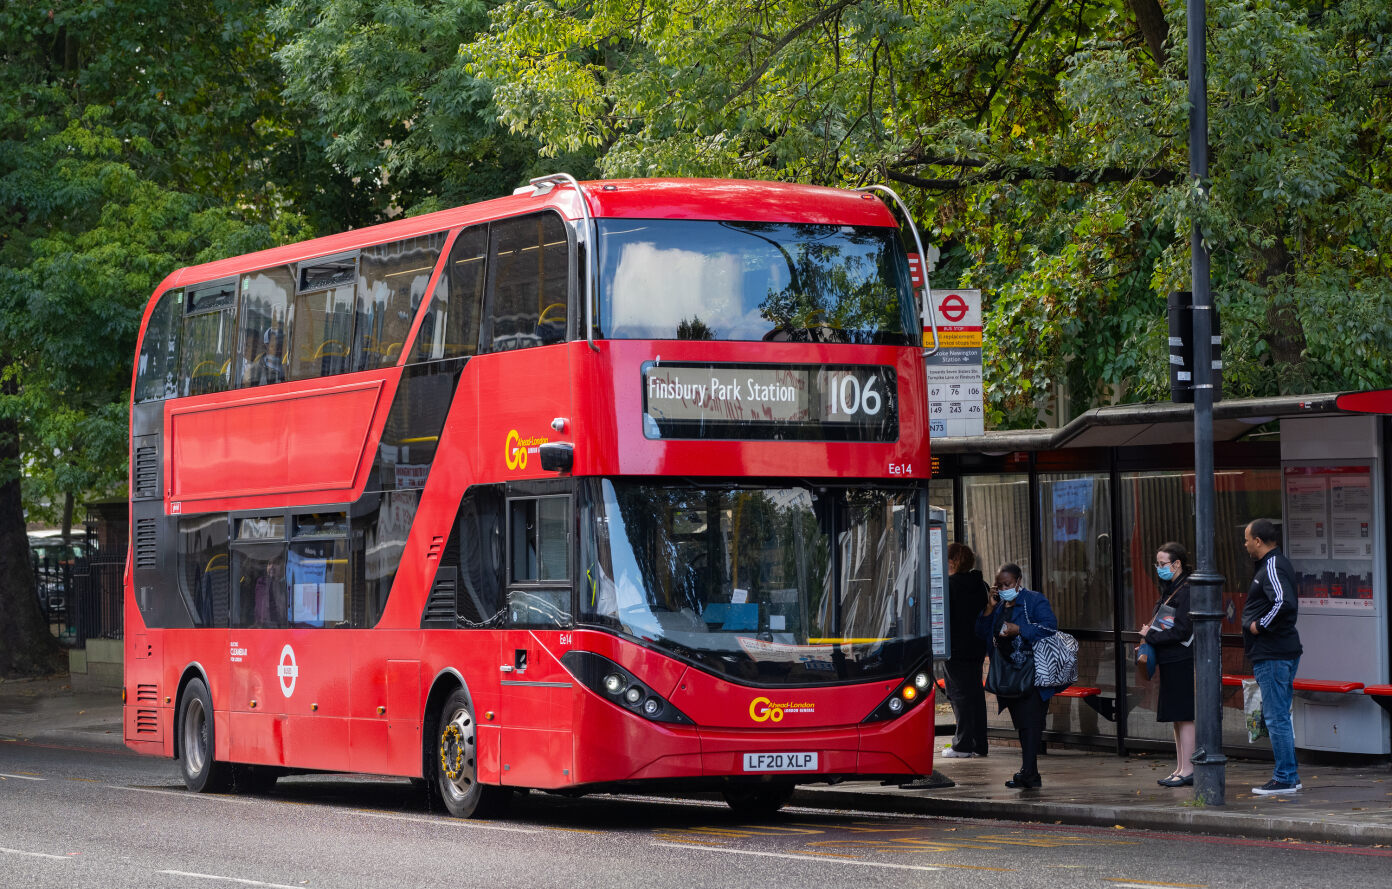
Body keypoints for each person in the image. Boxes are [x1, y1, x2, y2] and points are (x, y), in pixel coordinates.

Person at [976, 563, 1062, 790]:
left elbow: (1050, 628)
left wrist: (1020, 630)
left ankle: (1030, 772)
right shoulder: (997, 606)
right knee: (1022, 725)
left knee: (1031, 723)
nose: (1003, 588)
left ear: (1018, 582)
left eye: (1008, 584)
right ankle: (1028, 771)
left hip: (1033, 672)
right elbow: (981, 633)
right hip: (1008, 674)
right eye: (999, 585)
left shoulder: (1034, 601)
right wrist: (989, 607)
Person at [1243, 518, 1303, 795]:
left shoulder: (1272, 565)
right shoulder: (1273, 565)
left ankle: (1285, 777)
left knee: (1276, 716)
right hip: (1277, 652)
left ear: (1258, 541)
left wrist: (1259, 625)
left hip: (1274, 653)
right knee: (1278, 715)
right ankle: (1289, 774)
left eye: (1247, 540)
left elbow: (1283, 602)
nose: (1245, 545)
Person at [1139, 541, 1195, 787]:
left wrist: (1150, 635)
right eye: (1157, 563)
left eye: (1162, 564)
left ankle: (1189, 769)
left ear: (1177, 564)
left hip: (1182, 658)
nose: (1159, 568)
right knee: (1176, 716)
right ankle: (1181, 767)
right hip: (1170, 659)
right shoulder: (1172, 587)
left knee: (1184, 715)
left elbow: (1182, 630)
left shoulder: (1188, 590)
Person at [941, 542, 990, 759]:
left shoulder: (949, 586)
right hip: (977, 646)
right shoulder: (980, 584)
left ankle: (962, 745)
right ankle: (980, 743)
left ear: (952, 562)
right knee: (976, 694)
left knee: (959, 695)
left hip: (955, 648)